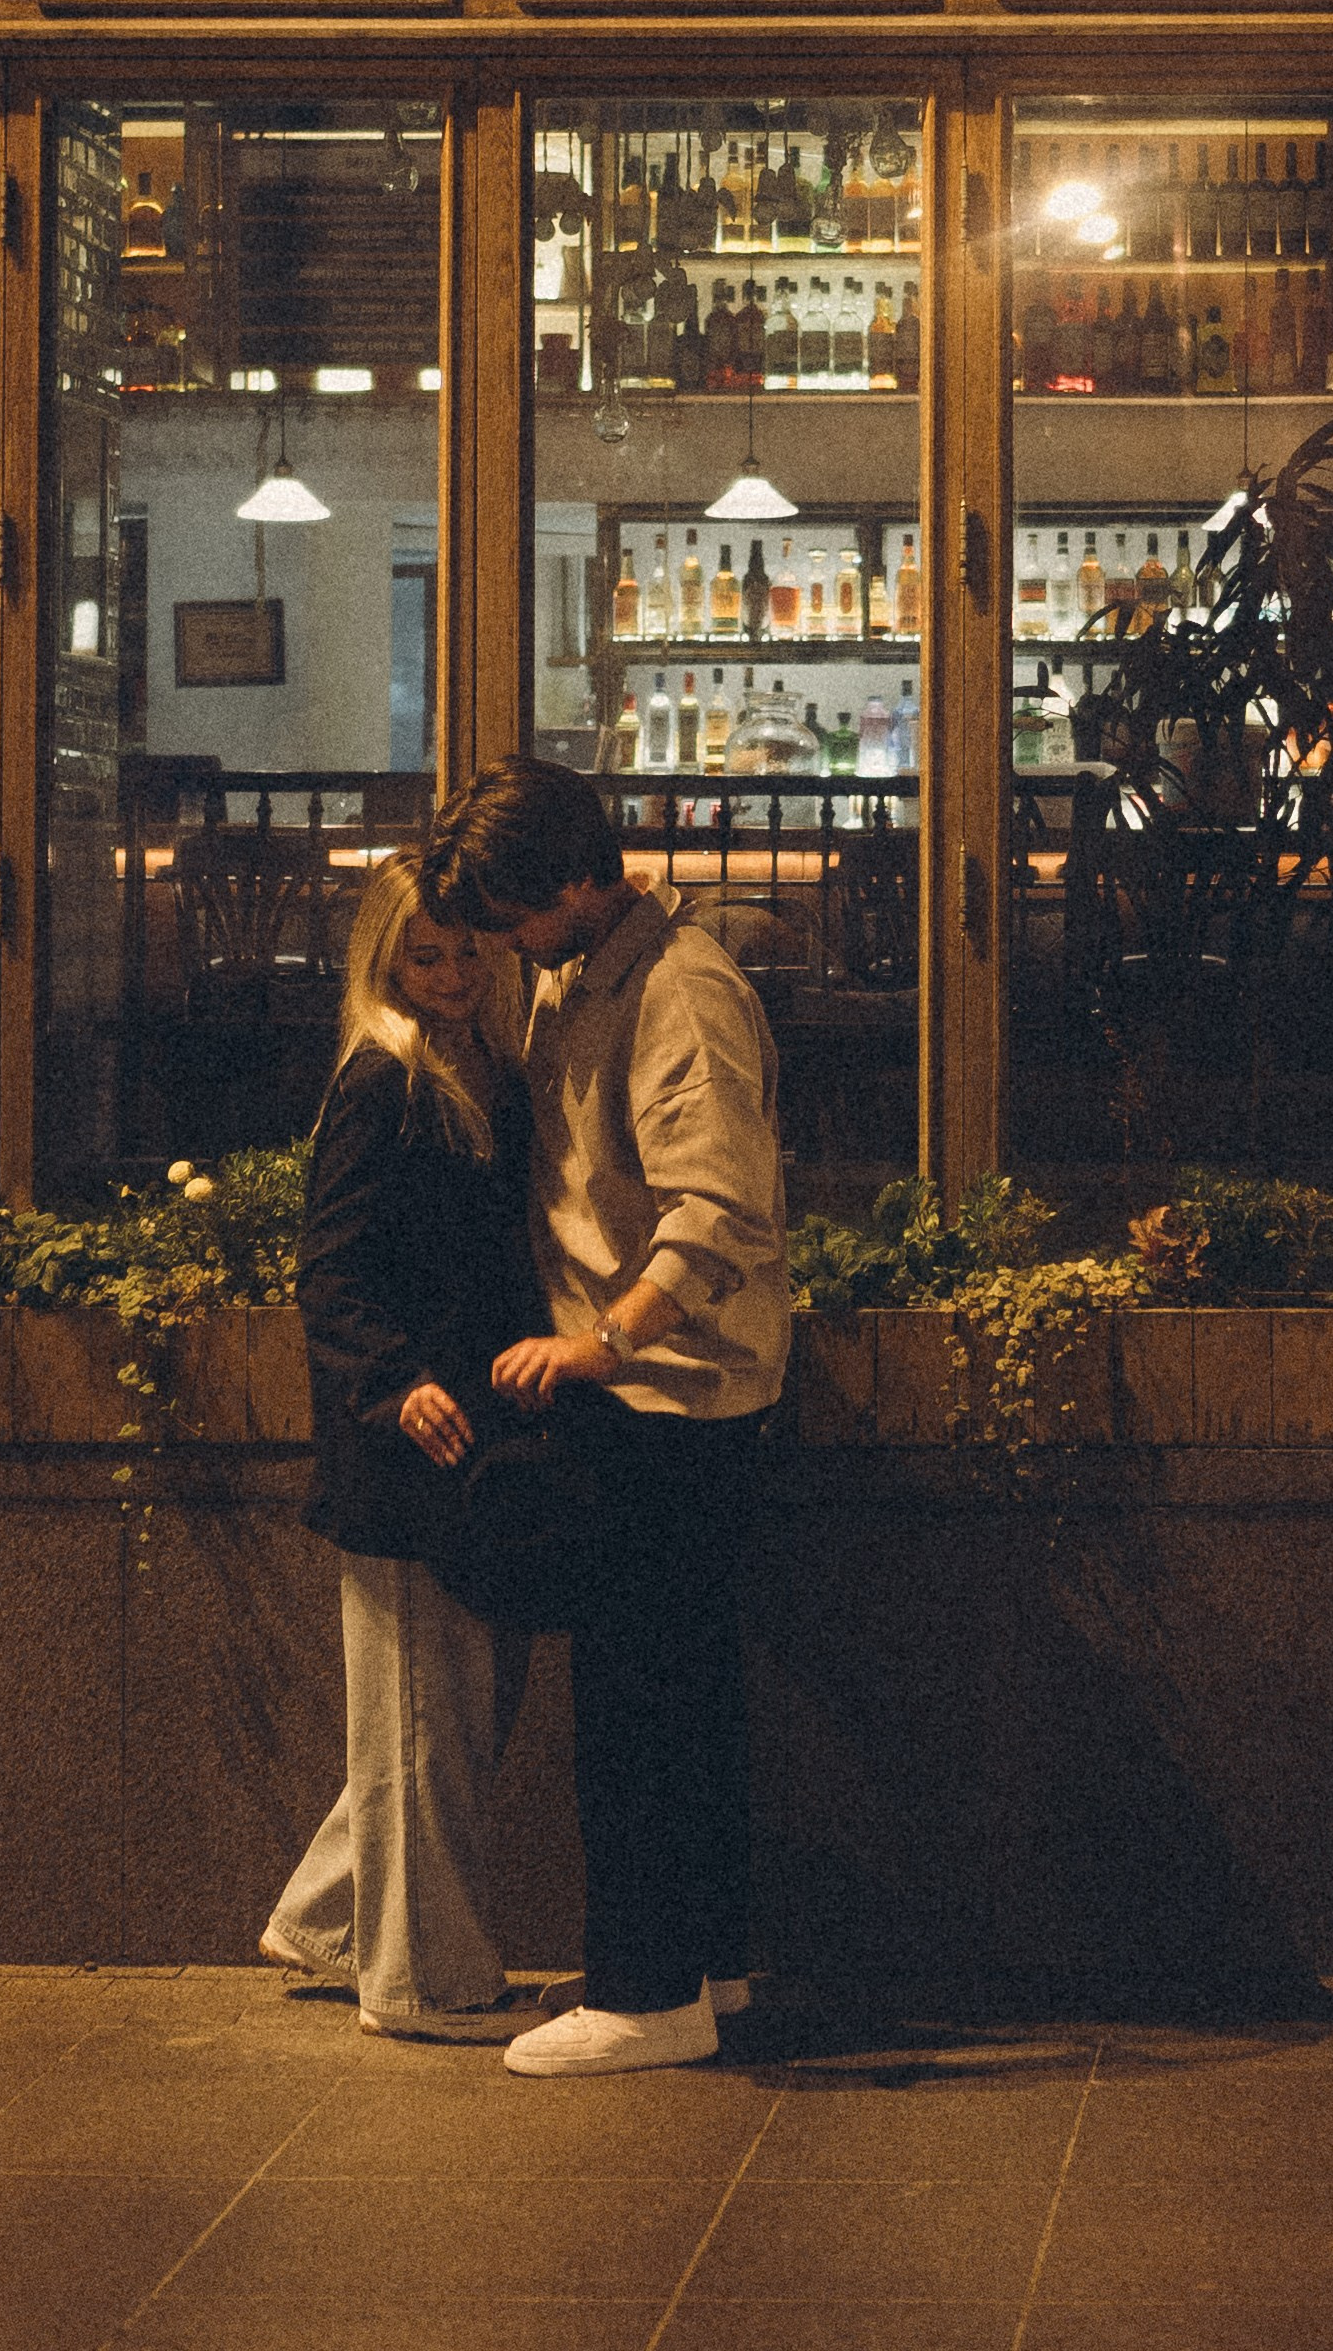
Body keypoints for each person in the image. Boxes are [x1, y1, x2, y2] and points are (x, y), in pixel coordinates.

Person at [428, 756, 790, 2078]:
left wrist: (601, 1343)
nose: (507, 946)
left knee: (635, 1710)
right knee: (684, 1695)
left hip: (662, 1397)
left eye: (516, 915)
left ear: (579, 880)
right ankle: (708, 1970)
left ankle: (645, 1993)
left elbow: (719, 1213)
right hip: (671, 1392)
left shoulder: (676, 992)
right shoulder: (595, 977)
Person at [262, 844, 544, 2039]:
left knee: (437, 1708)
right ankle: (421, 1980)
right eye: (424, 954)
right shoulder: (388, 1077)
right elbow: (330, 1266)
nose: (452, 971)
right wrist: (396, 1382)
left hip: (453, 1434)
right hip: (416, 1443)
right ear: (386, 958)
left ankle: (329, 1918)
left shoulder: (471, 1064)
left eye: (467, 948)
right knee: (428, 1712)